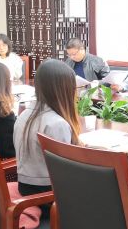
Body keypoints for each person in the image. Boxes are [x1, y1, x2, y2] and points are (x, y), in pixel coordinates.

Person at [14, 59, 80, 214]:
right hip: (48, 197)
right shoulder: (56, 123)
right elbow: (65, 172)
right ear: (64, 89)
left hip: (25, 188)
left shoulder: (23, 115)